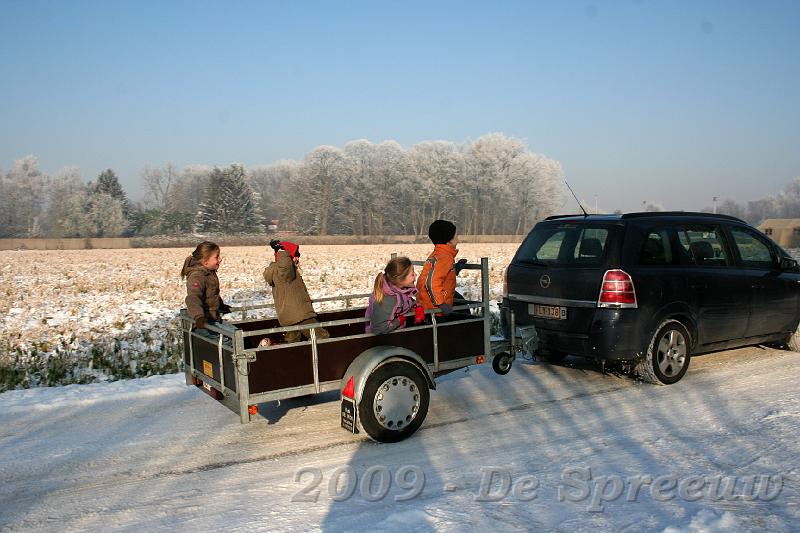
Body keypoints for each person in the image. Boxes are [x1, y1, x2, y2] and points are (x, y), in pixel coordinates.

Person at [263, 239, 330, 343]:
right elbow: (285, 266)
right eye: (296, 254)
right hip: (300, 316)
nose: (298, 257)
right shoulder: (284, 271)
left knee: (292, 343)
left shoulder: (277, 270)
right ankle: (313, 357)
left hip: (289, 316)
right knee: (321, 336)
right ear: (287, 256)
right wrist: (281, 249)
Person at [416, 219, 468, 316]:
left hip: (428, 305)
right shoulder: (444, 257)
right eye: (456, 234)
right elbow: (431, 282)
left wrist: (455, 269)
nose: (458, 237)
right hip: (435, 311)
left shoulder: (439, 254)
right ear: (449, 239)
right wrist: (441, 304)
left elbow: (439, 274)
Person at [181, 241, 232, 339]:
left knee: (238, 335)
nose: (220, 260)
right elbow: (193, 298)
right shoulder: (197, 276)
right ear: (205, 261)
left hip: (213, 320)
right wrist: (199, 317)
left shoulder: (209, 273)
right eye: (216, 257)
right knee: (231, 341)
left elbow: (211, 293)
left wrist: (221, 305)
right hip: (203, 325)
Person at [365, 256, 425, 334]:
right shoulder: (387, 300)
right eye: (412, 274)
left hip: (396, 334)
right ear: (400, 279)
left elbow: (407, 301)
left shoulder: (400, 290)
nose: (416, 275)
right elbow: (379, 329)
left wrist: (417, 306)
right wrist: (399, 320)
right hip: (383, 341)